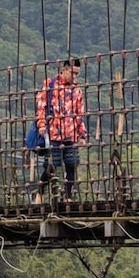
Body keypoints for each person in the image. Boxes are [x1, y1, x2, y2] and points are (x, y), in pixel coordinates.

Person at [35, 58, 89, 204]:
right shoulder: (50, 85)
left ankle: (68, 197)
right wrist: (41, 125)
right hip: (53, 132)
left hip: (70, 134)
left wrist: (82, 133)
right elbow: (41, 106)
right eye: (72, 72)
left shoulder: (76, 90)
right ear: (64, 70)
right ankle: (40, 192)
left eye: (77, 74)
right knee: (51, 166)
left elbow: (79, 114)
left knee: (72, 164)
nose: (74, 76)